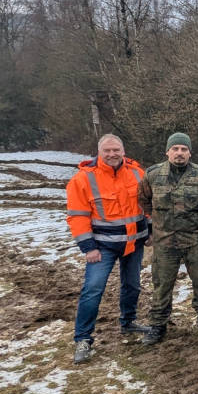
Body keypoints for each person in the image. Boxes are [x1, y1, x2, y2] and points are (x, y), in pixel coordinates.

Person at [66, 134, 151, 364]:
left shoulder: (137, 173)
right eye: (107, 151)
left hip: (134, 243)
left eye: (116, 150)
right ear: (99, 152)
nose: (112, 154)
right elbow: (77, 216)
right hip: (102, 247)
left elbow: (147, 206)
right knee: (93, 289)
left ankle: (128, 322)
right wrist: (88, 247)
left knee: (132, 285)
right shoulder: (83, 179)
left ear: (123, 151)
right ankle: (83, 338)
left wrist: (150, 231)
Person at [139, 133, 198, 344]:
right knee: (162, 283)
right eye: (175, 149)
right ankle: (158, 324)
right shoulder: (152, 175)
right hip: (164, 240)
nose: (179, 153)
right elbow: (143, 199)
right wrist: (157, 219)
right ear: (167, 152)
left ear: (189, 153)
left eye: (184, 149)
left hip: (195, 239)